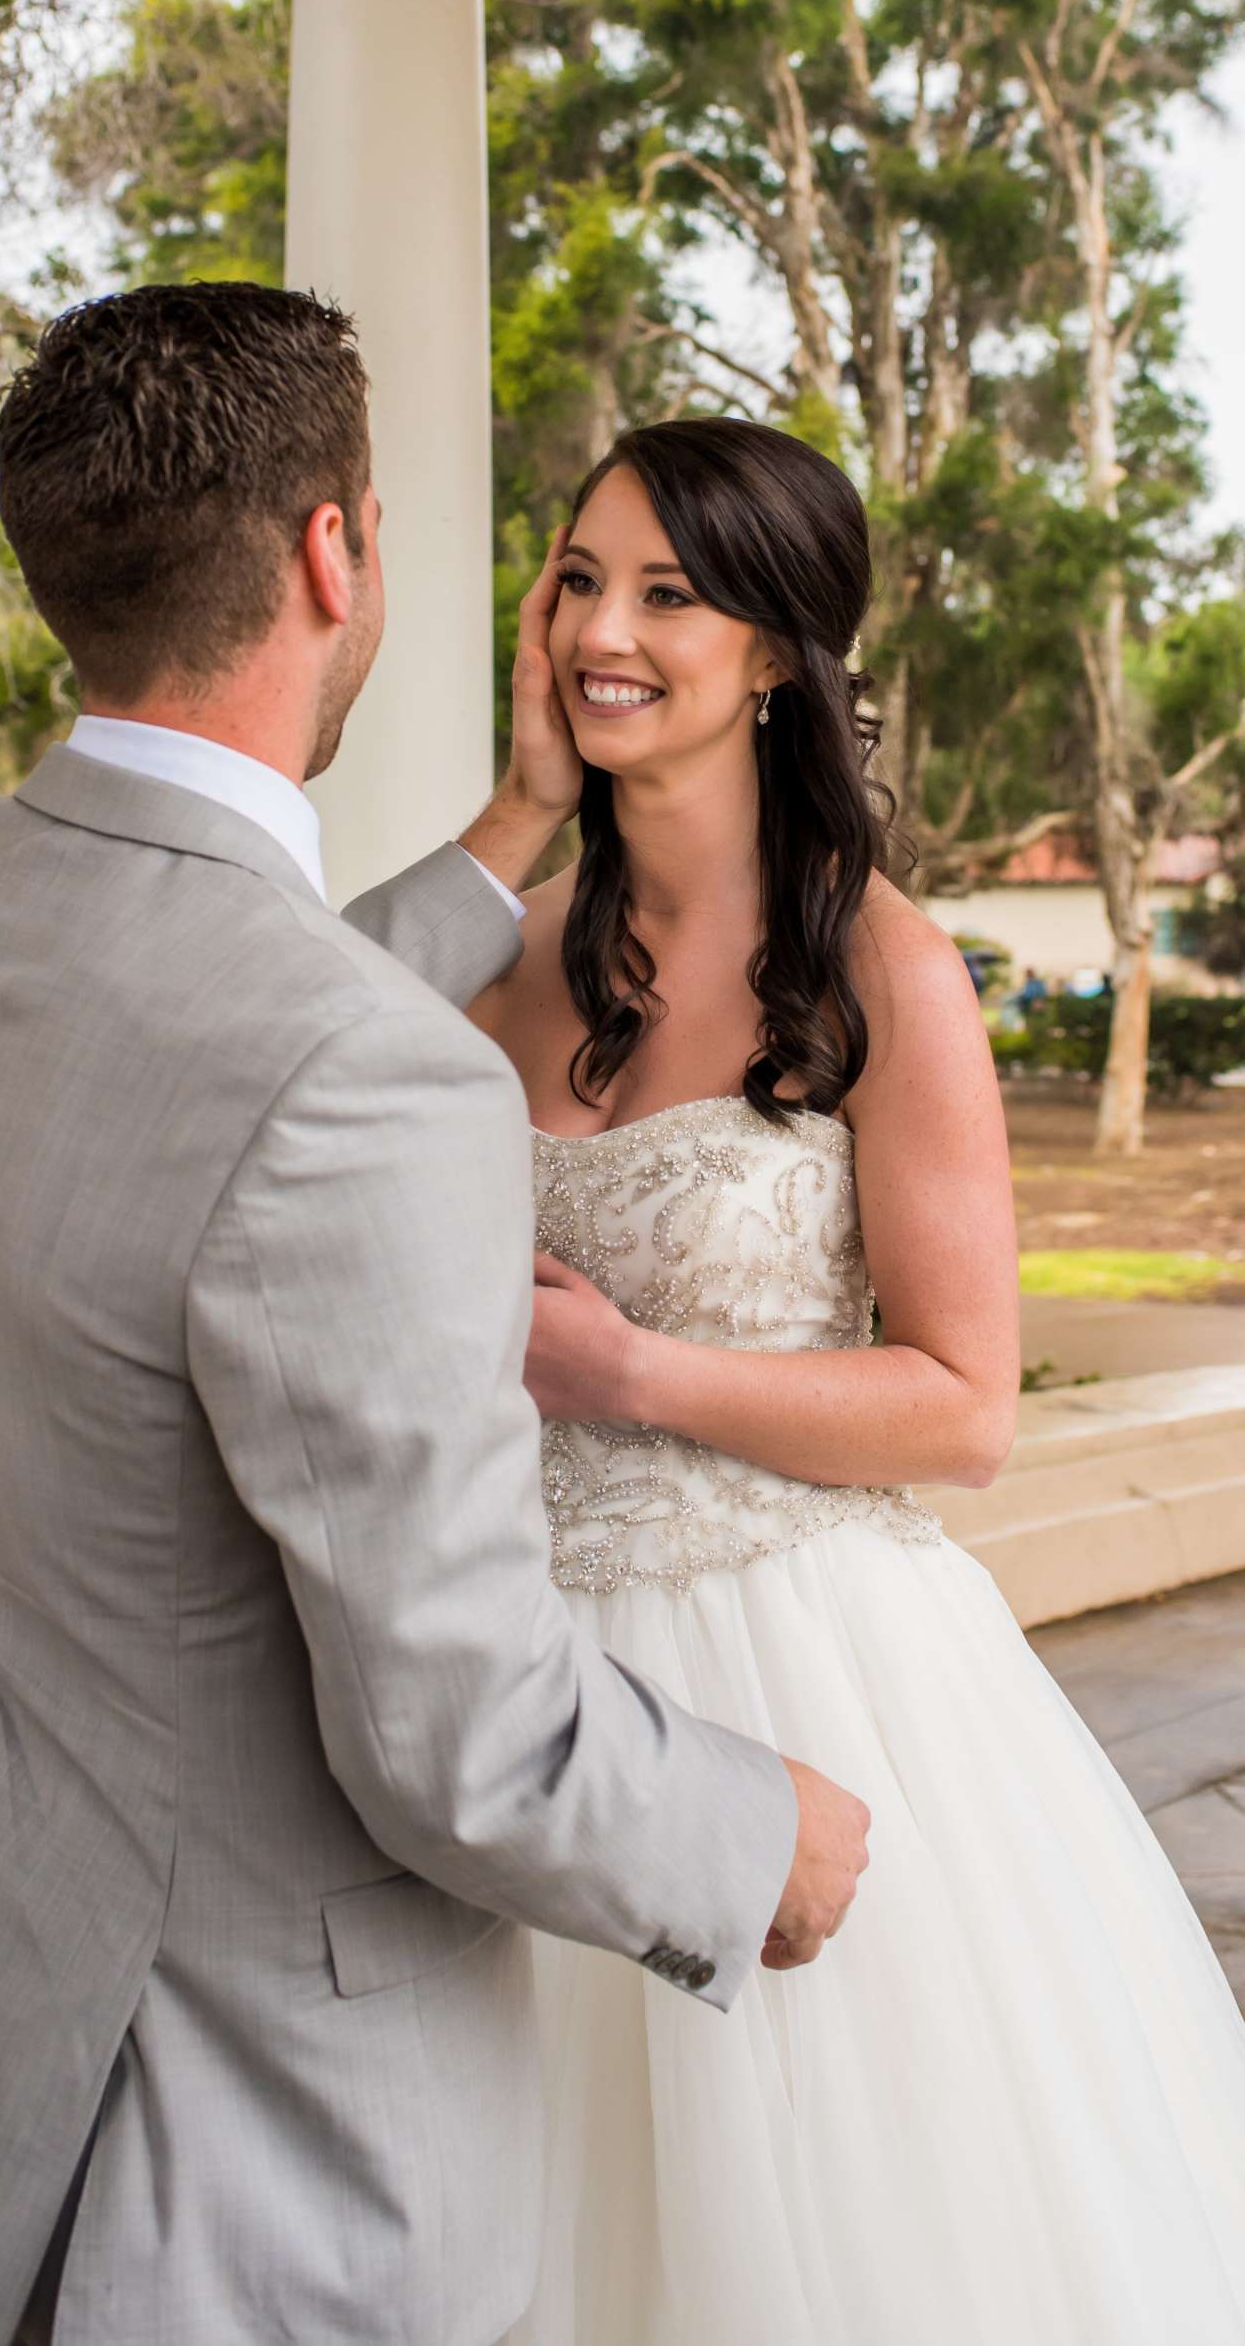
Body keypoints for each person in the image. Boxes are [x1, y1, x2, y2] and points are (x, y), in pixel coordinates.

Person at [0, 287, 869, 2346]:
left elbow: (200, 1057)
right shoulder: (355, 1079)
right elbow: (453, 1736)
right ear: (330, 557)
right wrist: (753, 1843)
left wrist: (509, 831)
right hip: (221, 2170)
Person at [468, 416, 1245, 2345]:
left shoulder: (883, 963)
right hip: (532, 1694)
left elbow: (964, 1406)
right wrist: (509, 806)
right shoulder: (497, 971)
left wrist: (626, 1367)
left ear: (777, 654)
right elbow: (278, 1068)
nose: (602, 630)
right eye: (578, 578)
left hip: (810, 1667)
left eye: (669, 592)